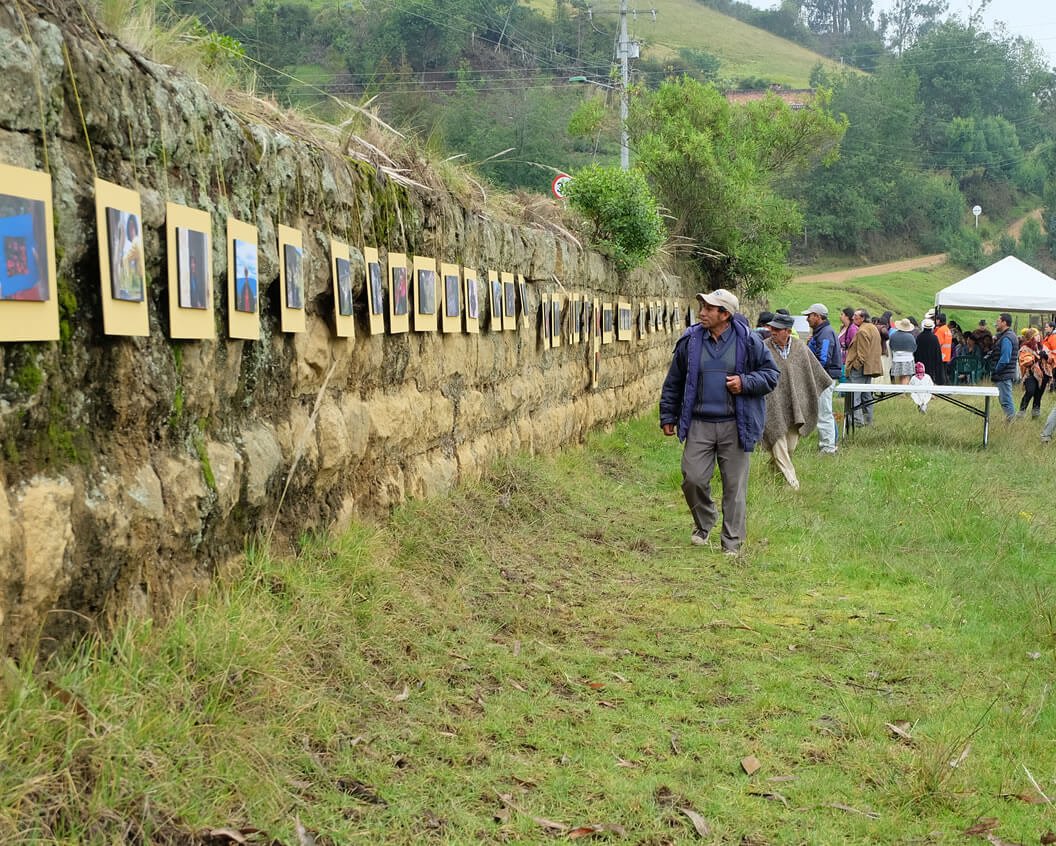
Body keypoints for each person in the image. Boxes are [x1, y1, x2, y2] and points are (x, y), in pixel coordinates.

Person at [660, 289, 779, 556]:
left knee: (734, 487)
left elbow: (771, 374)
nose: (701, 312)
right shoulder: (690, 341)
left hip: (736, 424)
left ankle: (732, 543)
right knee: (692, 478)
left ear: (724, 314)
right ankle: (704, 522)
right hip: (699, 423)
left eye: (708, 308)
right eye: (701, 306)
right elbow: (674, 381)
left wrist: (745, 382)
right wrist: (668, 415)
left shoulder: (748, 341)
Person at [762, 313, 832, 490]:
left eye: (777, 329)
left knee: (789, 448)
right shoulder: (763, 348)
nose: (773, 332)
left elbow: (815, 373)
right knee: (777, 441)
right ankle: (793, 484)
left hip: (796, 405)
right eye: (771, 328)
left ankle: (771, 475)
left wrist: (813, 393)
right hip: (772, 405)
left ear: (787, 331)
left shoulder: (800, 348)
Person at [803, 302, 840, 454]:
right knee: (824, 411)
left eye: (809, 316)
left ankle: (828, 448)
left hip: (824, 377)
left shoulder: (825, 333)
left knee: (824, 413)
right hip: (824, 376)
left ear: (818, 316)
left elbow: (823, 358)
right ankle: (829, 444)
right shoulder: (822, 332)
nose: (807, 319)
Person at [843, 309, 882, 426]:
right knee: (866, 396)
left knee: (854, 396)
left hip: (860, 368)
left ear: (863, 318)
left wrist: (854, 366)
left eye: (856, 316)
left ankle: (857, 422)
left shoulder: (862, 331)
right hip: (869, 368)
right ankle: (868, 421)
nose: (853, 317)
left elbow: (862, 354)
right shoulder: (872, 328)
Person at [990, 312, 1018, 421]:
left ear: (1004, 322)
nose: (996, 324)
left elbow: (1005, 359)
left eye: (998, 321)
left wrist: (996, 370)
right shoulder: (1007, 336)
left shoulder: (1007, 338)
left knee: (1006, 401)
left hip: (1003, 375)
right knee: (1005, 401)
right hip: (1005, 374)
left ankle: (1011, 425)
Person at [1016, 329, 1048, 419]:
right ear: (1031, 337)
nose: (1038, 337)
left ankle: (1035, 415)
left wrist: (1046, 356)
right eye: (1036, 335)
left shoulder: (1042, 347)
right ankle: (1021, 412)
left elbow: (1050, 360)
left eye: (1039, 335)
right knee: (1030, 391)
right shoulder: (1025, 348)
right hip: (1030, 374)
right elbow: (1025, 362)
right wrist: (1037, 357)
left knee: (1038, 395)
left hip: (1043, 375)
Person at [914, 318, 944, 384]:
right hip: (931, 362)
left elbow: (916, 351)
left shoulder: (919, 337)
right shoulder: (934, 338)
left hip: (921, 360)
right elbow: (937, 352)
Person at [888, 318, 917, 384]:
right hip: (908, 359)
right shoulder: (910, 336)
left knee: (897, 376)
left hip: (896, 358)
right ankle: (903, 390)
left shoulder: (893, 335)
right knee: (906, 376)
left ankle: (898, 390)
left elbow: (891, 346)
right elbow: (914, 348)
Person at [934, 313, 953, 383]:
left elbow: (937, 343)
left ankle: (943, 387)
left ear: (939, 320)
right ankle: (947, 385)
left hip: (941, 354)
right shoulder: (947, 330)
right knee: (944, 372)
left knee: (941, 374)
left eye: (936, 319)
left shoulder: (940, 330)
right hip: (947, 354)